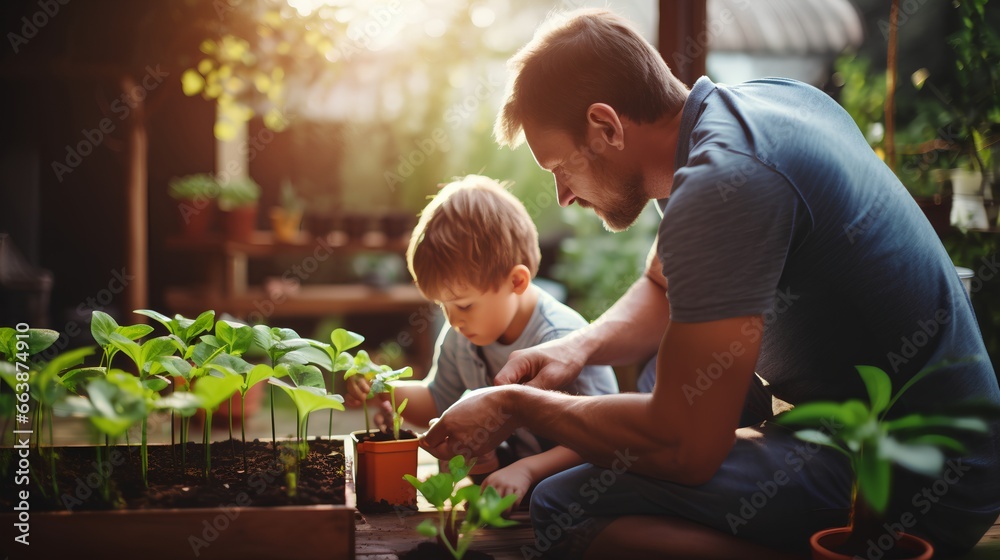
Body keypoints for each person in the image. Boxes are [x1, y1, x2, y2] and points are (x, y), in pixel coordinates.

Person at [420, 8, 1000, 559]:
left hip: (915, 481)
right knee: (661, 375)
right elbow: (661, 288)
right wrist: (579, 346)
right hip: (899, 438)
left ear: (605, 126)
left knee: (565, 507)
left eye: (560, 168)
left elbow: (685, 450)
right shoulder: (744, 116)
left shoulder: (727, 180)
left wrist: (517, 404)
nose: (564, 196)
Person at [345, 174, 618, 489]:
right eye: (442, 306)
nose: (452, 320)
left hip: (588, 489)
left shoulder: (560, 340)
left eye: (463, 305)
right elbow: (437, 399)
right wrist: (383, 387)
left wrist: (527, 471)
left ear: (516, 282)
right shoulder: (462, 337)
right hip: (515, 486)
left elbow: (601, 437)